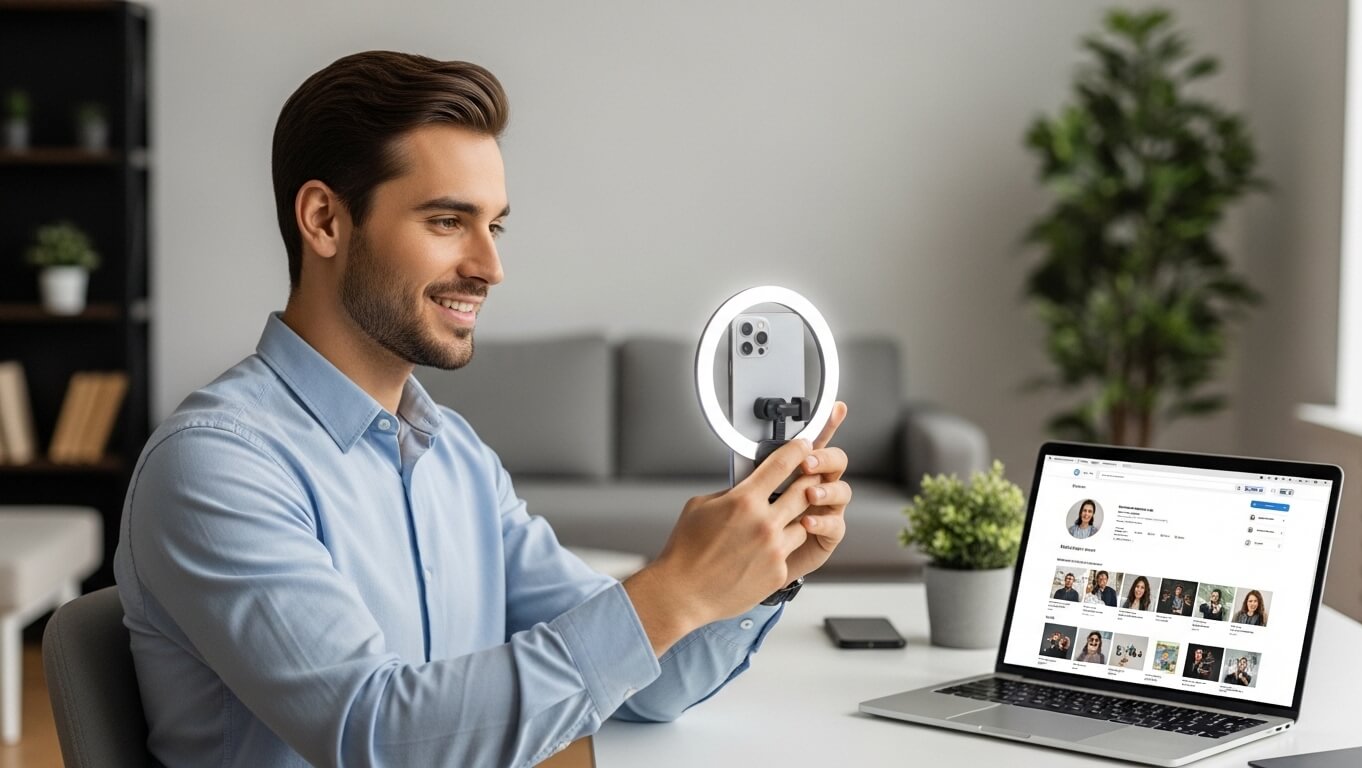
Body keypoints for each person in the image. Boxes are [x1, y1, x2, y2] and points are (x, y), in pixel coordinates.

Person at [112, 52, 853, 767]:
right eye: (446, 221)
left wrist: (759, 569)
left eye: (493, 226)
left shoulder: (455, 457)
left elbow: (642, 682)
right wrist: (673, 590)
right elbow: (374, 735)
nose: (490, 266)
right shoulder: (214, 465)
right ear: (325, 221)